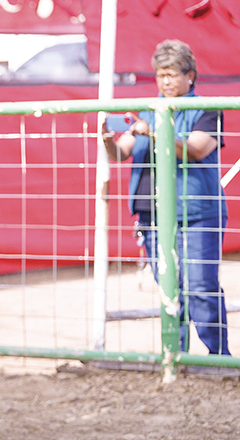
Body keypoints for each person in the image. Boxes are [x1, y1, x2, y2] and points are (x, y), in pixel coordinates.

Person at [103, 40, 230, 355]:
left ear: (190, 75)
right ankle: (177, 356)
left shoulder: (207, 108)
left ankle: (219, 358)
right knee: (170, 291)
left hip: (198, 213)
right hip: (152, 215)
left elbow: (198, 148)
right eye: (160, 75)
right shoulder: (148, 109)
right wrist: (106, 138)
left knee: (202, 288)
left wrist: (153, 131)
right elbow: (120, 153)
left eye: (172, 74)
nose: (166, 81)